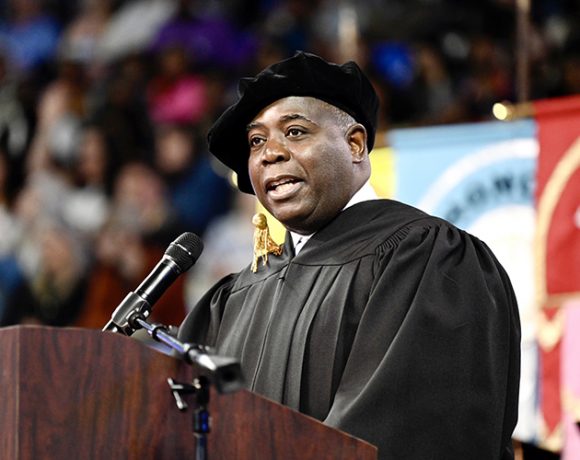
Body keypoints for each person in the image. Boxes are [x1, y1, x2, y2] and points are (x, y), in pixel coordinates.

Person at [177, 51, 521, 460]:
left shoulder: (427, 258)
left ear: (355, 143)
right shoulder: (235, 300)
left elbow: (405, 436)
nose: (270, 153)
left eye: (295, 131)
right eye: (256, 141)